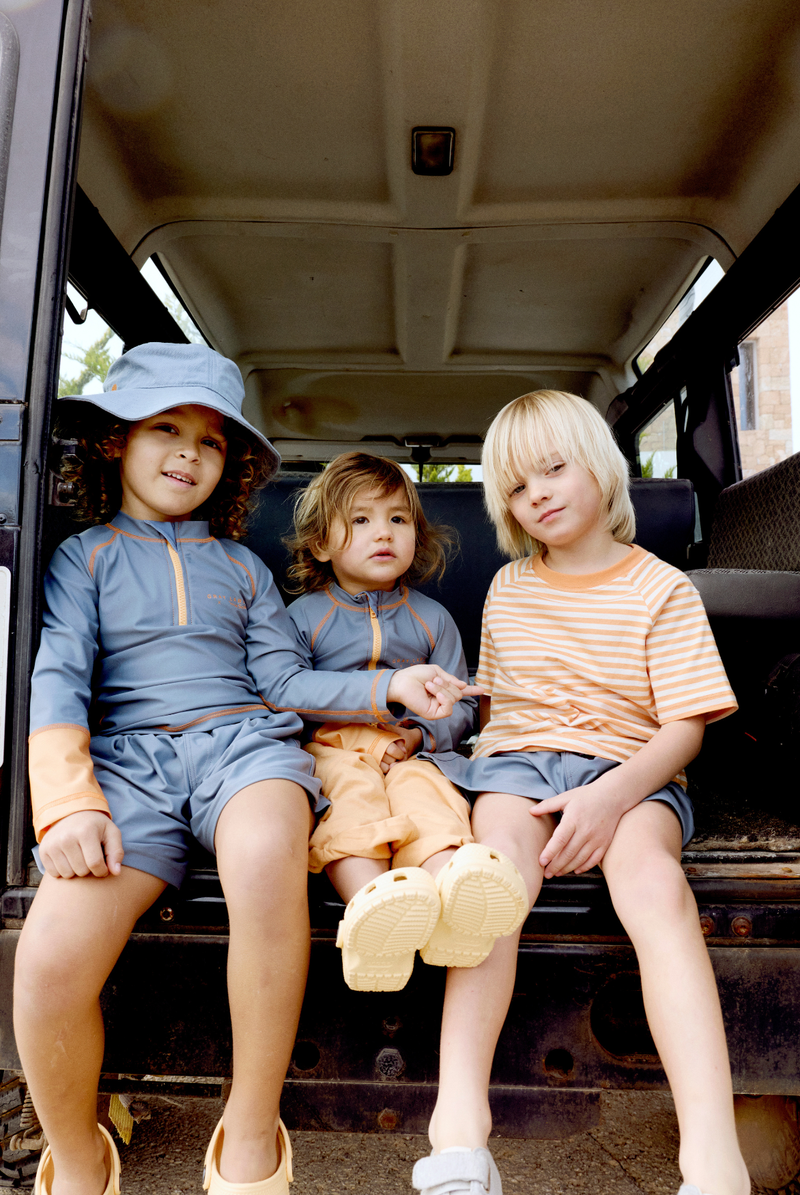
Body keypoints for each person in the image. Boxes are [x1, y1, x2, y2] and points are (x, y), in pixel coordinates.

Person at [12, 343, 477, 1195]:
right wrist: (69, 803)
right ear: (116, 443)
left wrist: (388, 690)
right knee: (46, 959)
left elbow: (281, 683)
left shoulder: (245, 568)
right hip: (128, 767)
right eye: (166, 429)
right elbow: (59, 678)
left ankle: (252, 1129)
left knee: (268, 859)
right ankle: (79, 1159)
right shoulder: (83, 561)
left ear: (229, 464)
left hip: (245, 747)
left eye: (211, 440)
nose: (189, 452)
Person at [410, 391, 751, 1195]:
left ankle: (711, 1153)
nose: (541, 495)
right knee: (491, 884)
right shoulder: (509, 588)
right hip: (517, 764)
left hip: (630, 770)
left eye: (554, 469)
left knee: (654, 885)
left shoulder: (661, 588)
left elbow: (683, 728)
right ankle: (458, 1129)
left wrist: (610, 796)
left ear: (599, 465)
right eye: (519, 488)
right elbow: (497, 711)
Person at [285, 452, 528, 991]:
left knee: (429, 797)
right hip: (332, 751)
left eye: (398, 520)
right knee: (348, 800)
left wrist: (423, 733)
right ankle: (373, 907)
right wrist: (380, 700)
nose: (384, 533)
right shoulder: (302, 616)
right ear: (322, 542)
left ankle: (452, 901)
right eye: (362, 519)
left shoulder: (431, 618)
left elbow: (465, 706)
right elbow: (284, 692)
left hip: (412, 749)